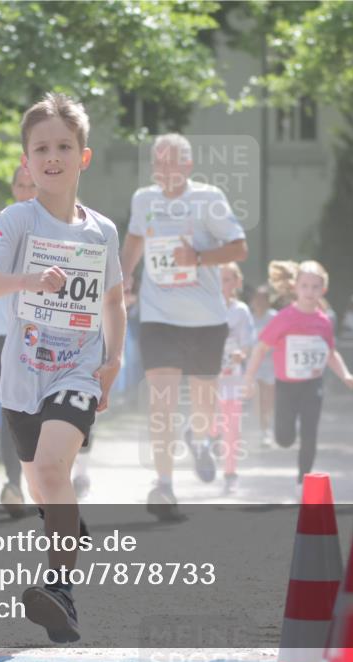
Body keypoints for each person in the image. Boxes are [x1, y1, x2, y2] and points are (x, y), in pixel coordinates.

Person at [0, 92, 126, 643]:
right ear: (26, 160)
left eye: (64, 146)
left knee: (56, 472)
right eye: (41, 148)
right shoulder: (17, 219)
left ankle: (59, 589)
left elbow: (113, 301)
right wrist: (28, 282)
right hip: (22, 378)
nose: (52, 156)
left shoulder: (101, 231)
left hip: (78, 371)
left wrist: (113, 362)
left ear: (83, 156)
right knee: (43, 486)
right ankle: (67, 530)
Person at [120, 133, 248, 520]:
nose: (164, 170)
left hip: (206, 319)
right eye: (158, 163)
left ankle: (202, 438)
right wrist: (123, 279)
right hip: (158, 317)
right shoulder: (144, 200)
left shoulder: (208, 199)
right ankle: (165, 486)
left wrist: (198, 256)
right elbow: (133, 245)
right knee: (162, 402)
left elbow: (239, 248)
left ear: (188, 166)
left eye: (171, 162)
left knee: (203, 403)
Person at [244, 261, 353, 490]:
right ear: (295, 287)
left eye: (315, 287)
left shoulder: (324, 321)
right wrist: (248, 378)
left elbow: (331, 353)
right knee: (284, 439)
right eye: (305, 286)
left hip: (312, 384)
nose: (310, 292)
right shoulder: (284, 318)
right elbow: (261, 348)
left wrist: (345, 374)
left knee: (310, 432)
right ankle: (284, 430)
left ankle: (302, 481)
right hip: (286, 385)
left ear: (323, 290)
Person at [0, 165, 37, 517]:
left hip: (50, 333)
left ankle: (49, 481)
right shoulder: (6, 223)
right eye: (20, 186)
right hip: (6, 331)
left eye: (31, 186)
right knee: (10, 409)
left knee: (44, 410)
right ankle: (13, 483)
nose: (25, 191)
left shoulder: (61, 223)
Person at [214, 263, 255, 494]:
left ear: (237, 282)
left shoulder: (241, 311)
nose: (223, 285)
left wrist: (241, 354)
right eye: (219, 279)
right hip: (209, 378)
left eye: (228, 279)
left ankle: (230, 474)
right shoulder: (206, 308)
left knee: (232, 429)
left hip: (232, 378)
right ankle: (206, 443)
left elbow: (248, 342)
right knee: (211, 425)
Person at [249, 285, 277, 448]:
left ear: (268, 301)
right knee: (258, 399)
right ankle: (262, 429)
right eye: (256, 299)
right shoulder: (249, 317)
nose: (259, 302)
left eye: (262, 299)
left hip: (271, 364)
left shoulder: (274, 317)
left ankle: (268, 429)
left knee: (268, 399)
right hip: (254, 365)